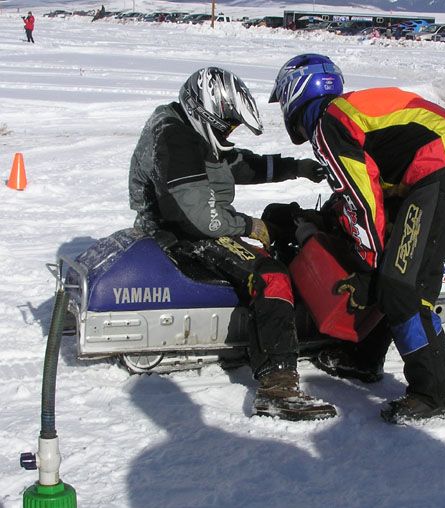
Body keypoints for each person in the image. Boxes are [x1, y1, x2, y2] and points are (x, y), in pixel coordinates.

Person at [269, 54, 445, 423]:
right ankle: (364, 358)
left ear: (297, 91)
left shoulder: (329, 124)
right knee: (395, 271)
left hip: (440, 169)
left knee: (400, 283)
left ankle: (434, 394)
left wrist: (368, 262)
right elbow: (366, 187)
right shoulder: (342, 113)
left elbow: (362, 200)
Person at [129, 67, 336, 421]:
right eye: (228, 125)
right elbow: (203, 219)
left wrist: (297, 168)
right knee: (272, 276)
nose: (230, 133)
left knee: (279, 218)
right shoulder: (176, 140)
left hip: (184, 225)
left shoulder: (183, 126)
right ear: (206, 113)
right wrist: (249, 226)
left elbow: (237, 165)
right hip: (183, 236)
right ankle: (277, 385)